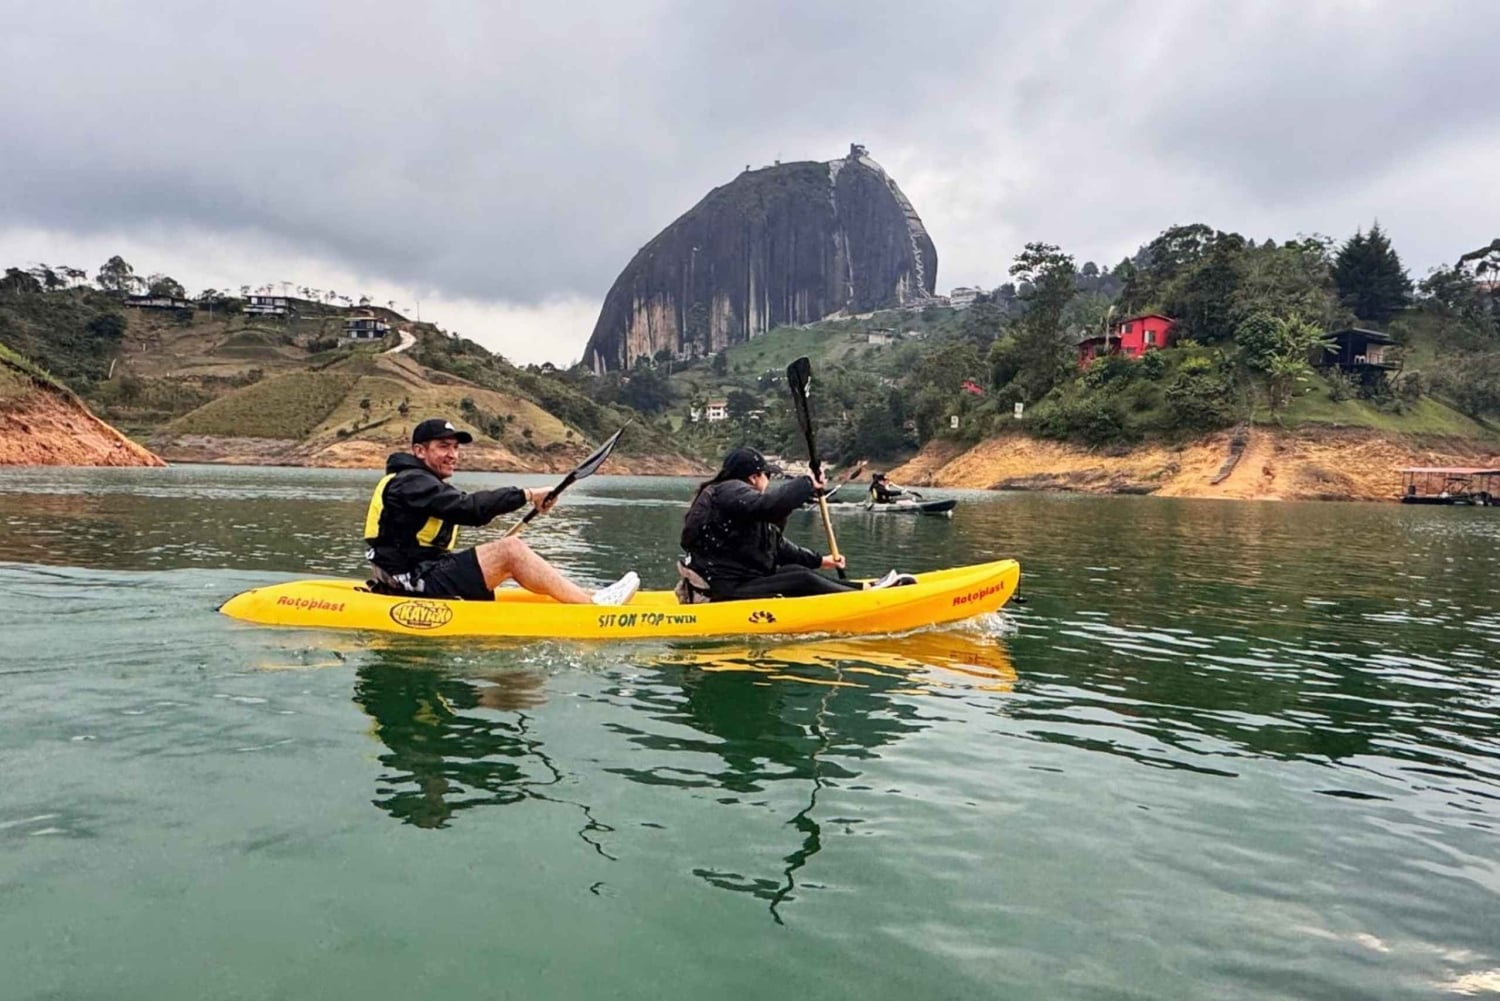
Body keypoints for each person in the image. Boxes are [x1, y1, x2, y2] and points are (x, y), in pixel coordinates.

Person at [365, 418, 639, 605]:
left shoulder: (417, 481)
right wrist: (527, 495)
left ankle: (586, 594)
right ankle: (592, 606)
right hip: (409, 581)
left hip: (419, 572)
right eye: (443, 446)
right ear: (419, 451)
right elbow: (470, 509)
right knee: (510, 550)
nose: (453, 455)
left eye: (456, 448)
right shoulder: (411, 481)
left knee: (504, 551)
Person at [680, 446, 909, 600]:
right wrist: (807, 483)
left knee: (795, 570)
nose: (769, 481)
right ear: (753, 477)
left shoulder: (739, 501)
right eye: (767, 475)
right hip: (721, 588)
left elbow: (776, 547)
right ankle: (865, 597)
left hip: (736, 581)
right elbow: (771, 506)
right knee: (799, 578)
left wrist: (820, 560)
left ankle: (864, 589)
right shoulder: (730, 490)